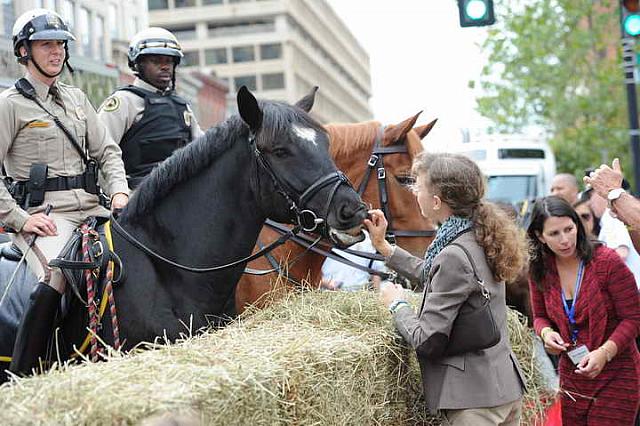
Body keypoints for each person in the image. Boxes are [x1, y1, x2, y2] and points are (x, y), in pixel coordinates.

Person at [0, 9, 129, 374]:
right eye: (45, 45)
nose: (56, 51)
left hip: (94, 208)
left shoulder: (76, 98)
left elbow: (107, 151)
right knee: (55, 274)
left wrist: (119, 191)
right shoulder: (9, 105)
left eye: (60, 44)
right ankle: (24, 373)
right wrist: (21, 220)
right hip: (46, 217)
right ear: (24, 51)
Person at [365, 152, 527, 425]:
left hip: (475, 404)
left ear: (437, 201)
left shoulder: (453, 252)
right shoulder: (479, 234)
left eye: (419, 187)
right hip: (502, 389)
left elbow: (426, 339)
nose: (415, 193)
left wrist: (397, 304)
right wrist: (385, 248)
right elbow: (437, 275)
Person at [527, 196, 640, 425]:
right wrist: (547, 334)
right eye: (554, 233)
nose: (565, 240)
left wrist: (604, 352)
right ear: (540, 236)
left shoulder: (606, 261)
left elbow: (633, 318)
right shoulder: (540, 269)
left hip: (616, 370)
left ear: (578, 225)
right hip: (573, 374)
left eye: (569, 229)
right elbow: (540, 317)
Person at [98, 27, 203, 189]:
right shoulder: (124, 102)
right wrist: (117, 196)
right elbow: (100, 154)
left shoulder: (182, 106)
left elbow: (203, 149)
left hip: (182, 194)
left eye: (169, 61)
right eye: (156, 61)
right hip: (137, 196)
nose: (165, 66)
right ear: (138, 64)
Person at [584, 158, 640, 254]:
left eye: (590, 196)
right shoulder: (615, 215)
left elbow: (622, 254)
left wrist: (614, 192)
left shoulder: (611, 218)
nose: (589, 202)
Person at [319, 231, 385, 291]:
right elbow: (310, 274)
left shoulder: (365, 237)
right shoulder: (325, 235)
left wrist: (377, 296)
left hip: (360, 294)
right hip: (329, 293)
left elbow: (376, 270)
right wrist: (327, 284)